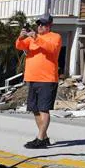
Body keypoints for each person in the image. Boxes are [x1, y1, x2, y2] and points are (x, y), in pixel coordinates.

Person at [15, 14, 62, 149]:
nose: (40, 26)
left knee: (43, 109)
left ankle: (40, 138)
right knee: (34, 109)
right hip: (32, 77)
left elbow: (51, 49)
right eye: (39, 24)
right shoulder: (31, 39)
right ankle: (44, 137)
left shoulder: (55, 37)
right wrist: (21, 36)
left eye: (43, 24)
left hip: (47, 79)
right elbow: (19, 46)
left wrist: (36, 37)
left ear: (49, 26)